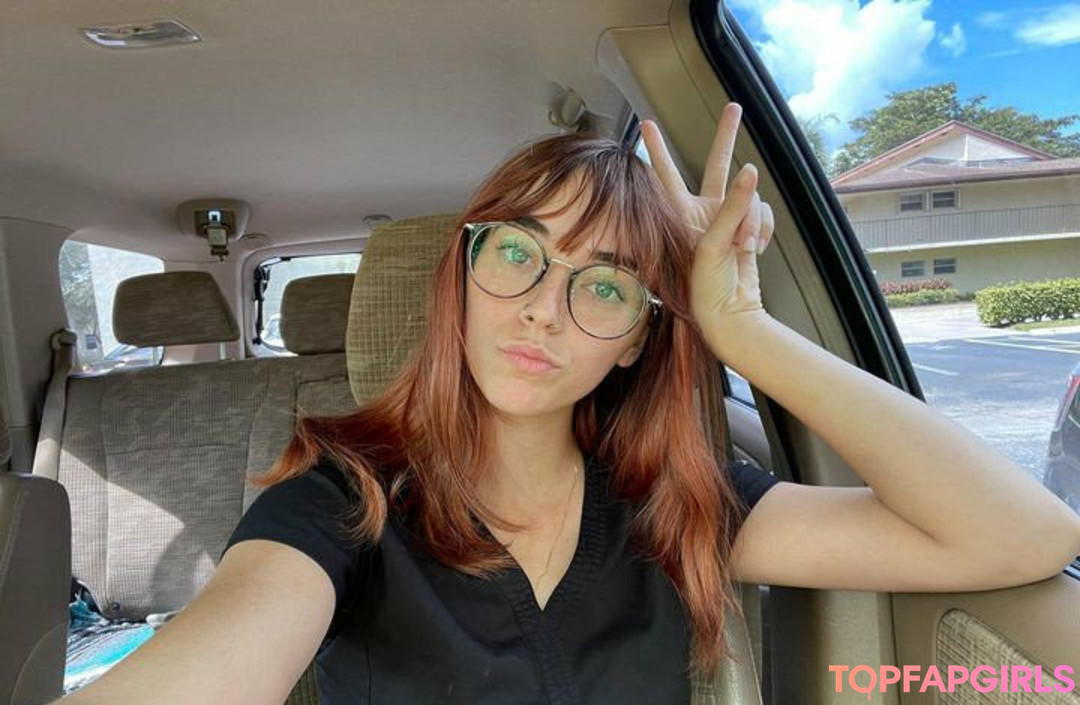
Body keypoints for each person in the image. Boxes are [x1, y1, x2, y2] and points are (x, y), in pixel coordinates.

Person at [53, 103, 1080, 705]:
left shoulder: (677, 504)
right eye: (517, 254)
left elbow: (1022, 536)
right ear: (462, 278)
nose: (544, 308)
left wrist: (742, 330)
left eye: (605, 286)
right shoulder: (336, 504)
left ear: (638, 335)